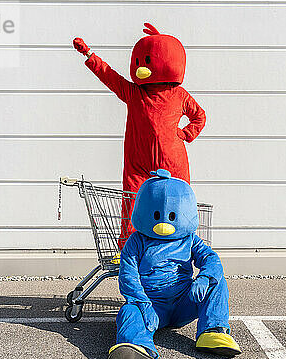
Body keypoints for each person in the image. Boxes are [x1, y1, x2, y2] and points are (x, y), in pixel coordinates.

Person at [73, 23, 206, 248]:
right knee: (132, 202)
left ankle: (181, 247)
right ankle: (128, 248)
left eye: (147, 62)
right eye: (139, 63)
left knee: (176, 201)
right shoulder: (134, 93)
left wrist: (185, 134)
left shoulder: (178, 95)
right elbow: (109, 76)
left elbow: (199, 117)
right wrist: (89, 55)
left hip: (172, 161)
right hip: (138, 163)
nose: (141, 69)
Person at [107, 169, 241, 359]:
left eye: (171, 217)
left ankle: (212, 330)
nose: (163, 224)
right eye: (157, 216)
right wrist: (143, 304)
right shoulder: (136, 242)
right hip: (152, 306)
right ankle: (137, 348)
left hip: (184, 301)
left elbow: (211, 259)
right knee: (128, 311)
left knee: (217, 281)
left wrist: (204, 278)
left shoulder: (189, 239)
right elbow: (128, 276)